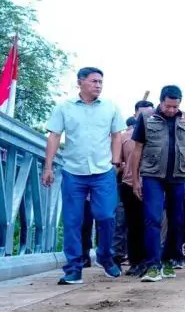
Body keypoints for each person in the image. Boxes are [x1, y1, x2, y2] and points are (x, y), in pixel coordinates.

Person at [42, 67, 124, 285]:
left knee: (106, 216)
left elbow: (117, 135)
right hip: (73, 171)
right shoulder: (64, 108)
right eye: (94, 81)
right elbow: (54, 136)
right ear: (80, 82)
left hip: (103, 171)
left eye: (100, 82)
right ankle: (73, 268)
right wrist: (48, 167)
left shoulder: (110, 107)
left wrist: (115, 162)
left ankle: (105, 257)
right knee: (73, 221)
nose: (98, 85)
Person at [130, 85, 185, 282]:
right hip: (152, 175)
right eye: (168, 106)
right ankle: (153, 265)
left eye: (175, 106)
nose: (171, 110)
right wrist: (135, 179)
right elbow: (137, 149)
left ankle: (169, 260)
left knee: (177, 220)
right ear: (161, 102)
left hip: (178, 176)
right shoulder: (146, 118)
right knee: (152, 218)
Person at [120, 100, 155, 276]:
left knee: (152, 223)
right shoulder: (124, 137)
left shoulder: (159, 135)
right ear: (135, 115)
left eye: (149, 114)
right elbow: (116, 162)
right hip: (129, 184)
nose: (145, 117)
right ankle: (135, 262)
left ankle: (152, 261)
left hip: (154, 184)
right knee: (133, 225)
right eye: (142, 114)